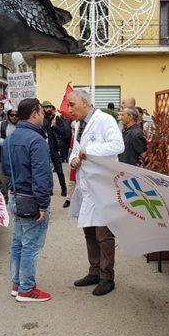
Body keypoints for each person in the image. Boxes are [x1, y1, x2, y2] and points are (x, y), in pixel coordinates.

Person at [68, 89, 124, 296]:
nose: (69, 109)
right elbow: (76, 150)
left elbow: (118, 145)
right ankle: (94, 271)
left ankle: (107, 277)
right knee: (89, 230)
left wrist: (88, 152)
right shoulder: (79, 125)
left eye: (72, 104)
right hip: (87, 186)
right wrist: (74, 159)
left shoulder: (105, 120)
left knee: (103, 233)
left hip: (103, 186)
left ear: (85, 102)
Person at [1, 98, 53, 302]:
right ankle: (26, 289)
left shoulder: (11, 137)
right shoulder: (36, 140)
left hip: (15, 194)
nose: (43, 115)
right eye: (41, 112)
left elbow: (5, 169)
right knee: (30, 245)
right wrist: (43, 204)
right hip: (30, 198)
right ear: (34, 114)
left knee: (18, 243)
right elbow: (41, 174)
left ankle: (18, 284)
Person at [41, 101, 67, 196]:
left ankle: (63, 188)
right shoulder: (41, 119)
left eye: (50, 107)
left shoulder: (57, 119)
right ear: (42, 108)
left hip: (54, 148)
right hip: (44, 149)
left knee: (59, 170)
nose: (48, 109)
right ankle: (49, 189)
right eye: (46, 107)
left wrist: (54, 126)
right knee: (47, 171)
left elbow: (64, 133)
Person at [0, 108, 19, 195]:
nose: (14, 117)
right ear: (8, 115)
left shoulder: (23, 126)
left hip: (19, 158)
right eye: (12, 115)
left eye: (16, 115)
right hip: (3, 158)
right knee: (3, 181)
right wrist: (7, 143)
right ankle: (4, 199)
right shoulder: (1, 125)